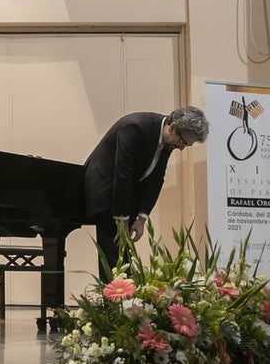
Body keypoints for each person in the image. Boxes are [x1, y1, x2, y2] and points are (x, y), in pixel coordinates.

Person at [83, 106, 209, 278]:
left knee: (123, 256)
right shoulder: (135, 127)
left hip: (124, 196)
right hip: (105, 191)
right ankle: (114, 301)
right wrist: (122, 219)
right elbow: (123, 174)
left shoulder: (168, 141)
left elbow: (157, 179)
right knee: (114, 255)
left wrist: (142, 217)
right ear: (171, 127)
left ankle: (125, 299)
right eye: (182, 143)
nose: (181, 148)